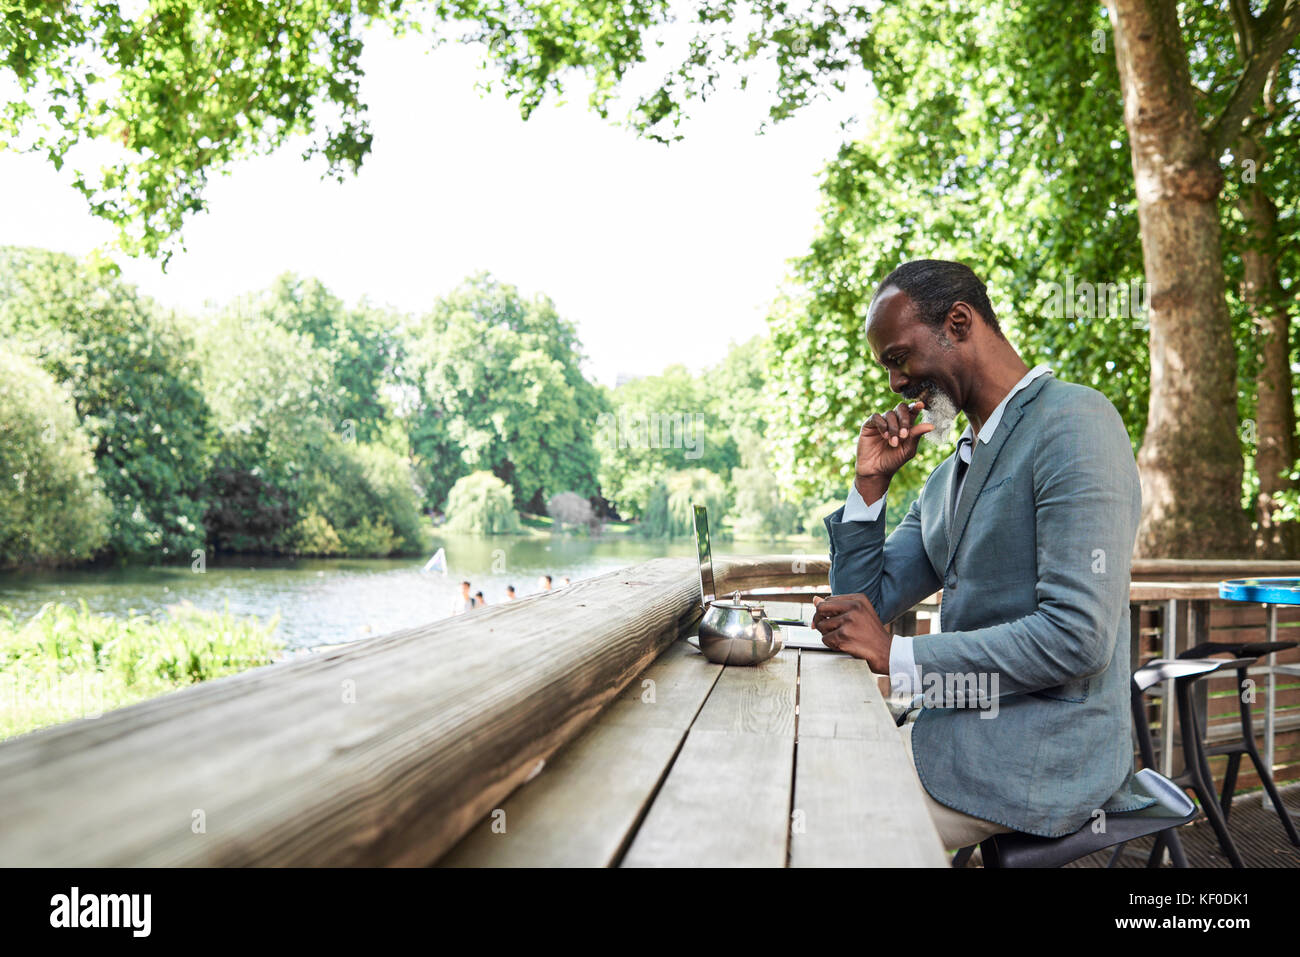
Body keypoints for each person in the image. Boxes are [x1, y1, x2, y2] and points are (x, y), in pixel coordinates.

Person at [811, 259, 1153, 851]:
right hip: (950, 727)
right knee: (807, 772)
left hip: (1043, 754)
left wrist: (899, 654)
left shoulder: (1076, 423)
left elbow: (1078, 638)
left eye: (898, 357)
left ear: (960, 322)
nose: (894, 383)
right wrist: (869, 489)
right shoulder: (945, 480)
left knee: (828, 821)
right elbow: (864, 606)